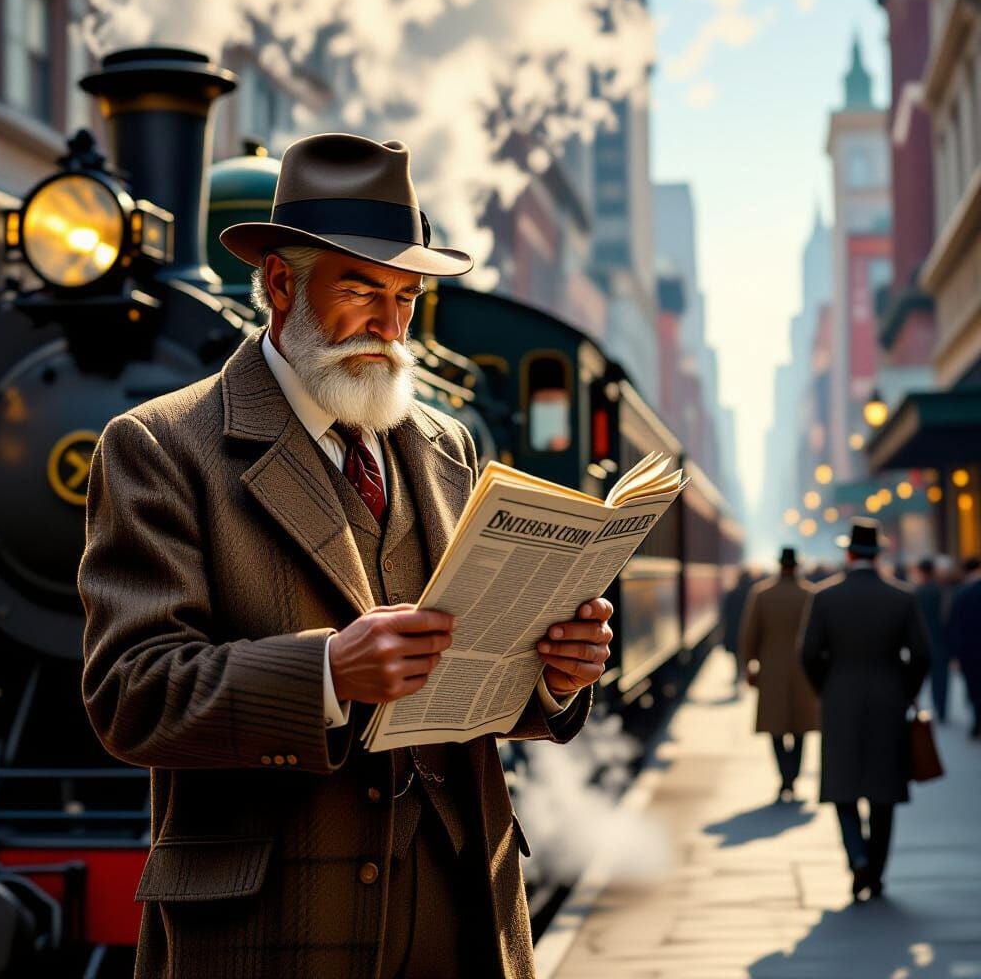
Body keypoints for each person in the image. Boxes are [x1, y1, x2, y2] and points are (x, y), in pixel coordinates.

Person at [78, 133, 615, 979]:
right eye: (362, 289)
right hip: (269, 928)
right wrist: (327, 674)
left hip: (459, 906)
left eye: (405, 297)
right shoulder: (159, 447)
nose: (391, 324)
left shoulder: (448, 447)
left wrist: (554, 673)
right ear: (281, 285)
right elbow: (130, 695)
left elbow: (474, 679)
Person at [800, 518, 930, 902]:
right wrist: (905, 690)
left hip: (839, 699)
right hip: (889, 701)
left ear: (849, 552)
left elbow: (808, 653)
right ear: (878, 554)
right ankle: (875, 871)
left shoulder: (824, 597)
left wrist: (826, 687)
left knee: (842, 787)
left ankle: (856, 855)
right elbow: (922, 655)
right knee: (883, 793)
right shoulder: (902, 598)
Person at [739, 547, 819, 801]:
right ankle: (792, 778)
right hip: (803, 672)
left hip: (772, 670)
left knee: (775, 728)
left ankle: (784, 777)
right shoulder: (810, 595)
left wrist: (749, 666)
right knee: (800, 728)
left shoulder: (762, 594)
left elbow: (750, 635)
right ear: (796, 566)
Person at [948, 556, 981, 738]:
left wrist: (954, 654)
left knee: (974, 687)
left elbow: (954, 626)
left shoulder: (962, 594)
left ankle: (977, 719)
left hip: (969, 650)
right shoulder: (962, 593)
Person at [914, 558, 950, 723]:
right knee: (940, 678)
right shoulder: (940, 591)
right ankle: (941, 709)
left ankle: (918, 708)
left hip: (922, 640)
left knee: (919, 677)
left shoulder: (917, 592)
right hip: (940, 640)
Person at [718, 568, 754, 687]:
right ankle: (742, 673)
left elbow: (725, 613)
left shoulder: (732, 593)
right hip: (747, 626)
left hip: (734, 627)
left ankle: (739, 673)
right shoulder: (752, 593)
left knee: (736, 653)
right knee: (744, 652)